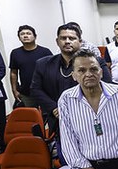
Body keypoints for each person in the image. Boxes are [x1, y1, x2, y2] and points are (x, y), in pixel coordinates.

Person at [31, 24, 112, 152]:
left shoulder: (95, 63)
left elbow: (107, 87)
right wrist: (54, 108)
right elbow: (35, 90)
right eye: (63, 38)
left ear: (80, 42)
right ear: (57, 41)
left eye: (72, 38)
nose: (67, 41)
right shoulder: (43, 64)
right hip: (60, 123)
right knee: (69, 162)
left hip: (90, 122)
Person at [8, 24, 52, 108]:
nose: (25, 36)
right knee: (32, 117)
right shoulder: (15, 53)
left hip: (45, 91)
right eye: (22, 34)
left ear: (35, 36)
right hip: (26, 92)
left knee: (47, 115)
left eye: (28, 33)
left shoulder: (45, 52)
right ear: (19, 38)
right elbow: (13, 72)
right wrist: (14, 89)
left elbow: (53, 70)